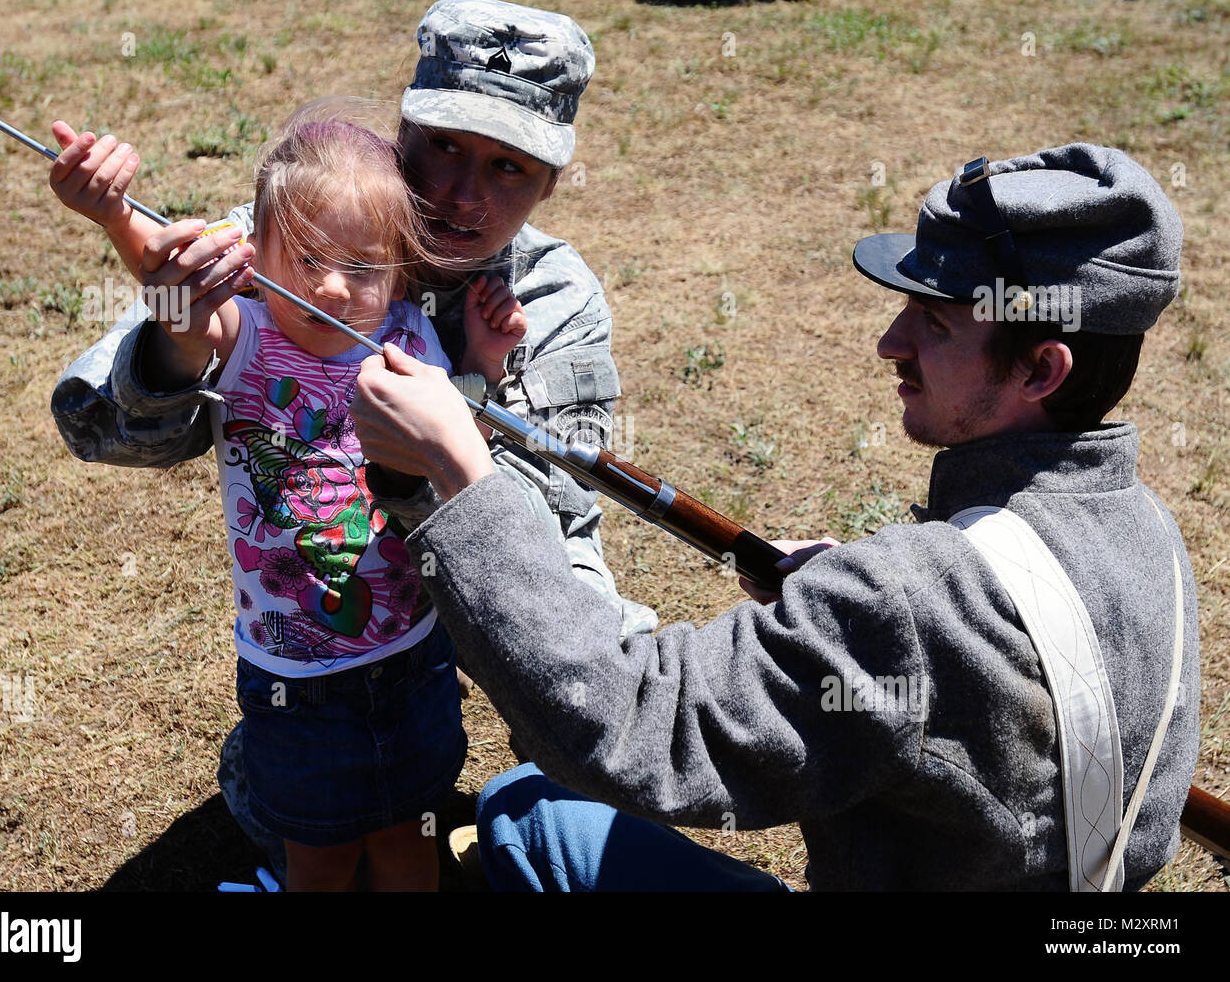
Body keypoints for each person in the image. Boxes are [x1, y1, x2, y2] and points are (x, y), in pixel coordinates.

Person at [347, 143, 1201, 890]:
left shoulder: (910, 597)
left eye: (934, 321)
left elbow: (625, 727)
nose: (890, 344)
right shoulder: (1147, 532)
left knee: (525, 811)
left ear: (1041, 369)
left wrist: (460, 475)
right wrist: (845, 608)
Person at [48, 0, 656, 882]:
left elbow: (543, 525)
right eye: (444, 146)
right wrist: (144, 265)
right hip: (308, 625)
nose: (462, 193)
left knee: (597, 712)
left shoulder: (554, 301)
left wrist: (458, 412)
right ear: (400, 128)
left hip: (472, 584)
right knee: (301, 827)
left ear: (551, 183)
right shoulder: (295, 234)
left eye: (510, 167)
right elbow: (104, 425)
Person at [52, 99, 524, 891]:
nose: (335, 289)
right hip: (294, 679)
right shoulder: (241, 333)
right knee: (320, 857)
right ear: (255, 255)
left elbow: (459, 432)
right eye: (306, 260)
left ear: (400, 269)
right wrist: (115, 218)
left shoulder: (408, 332)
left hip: (414, 657)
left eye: (364, 266)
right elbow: (174, 300)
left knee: (413, 839)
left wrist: (483, 361)